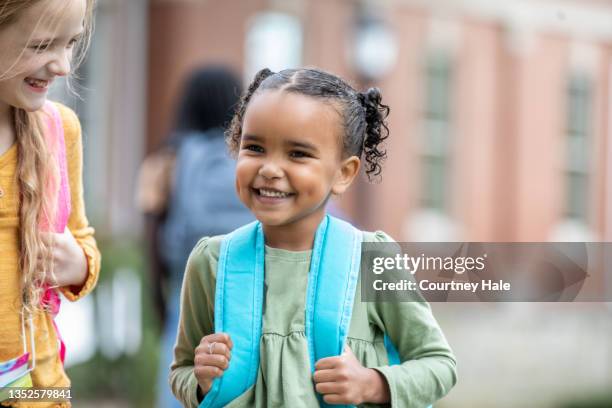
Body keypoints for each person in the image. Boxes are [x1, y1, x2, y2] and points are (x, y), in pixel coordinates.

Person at [170, 68, 457, 407]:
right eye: (255, 147)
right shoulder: (213, 261)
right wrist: (201, 380)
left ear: (343, 173)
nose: (270, 169)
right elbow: (181, 371)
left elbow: (440, 365)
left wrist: (370, 384)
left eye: (297, 154)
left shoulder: (370, 259)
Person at [0, 0, 100, 407]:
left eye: (71, 43)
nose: (62, 66)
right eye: (41, 46)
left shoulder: (60, 130)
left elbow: (83, 240)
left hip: (42, 390)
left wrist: (77, 263)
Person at [136, 66, 254, 408]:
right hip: (245, 285)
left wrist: (159, 305)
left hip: (184, 286)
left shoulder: (166, 160)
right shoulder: (251, 157)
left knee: (182, 378)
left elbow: (153, 236)